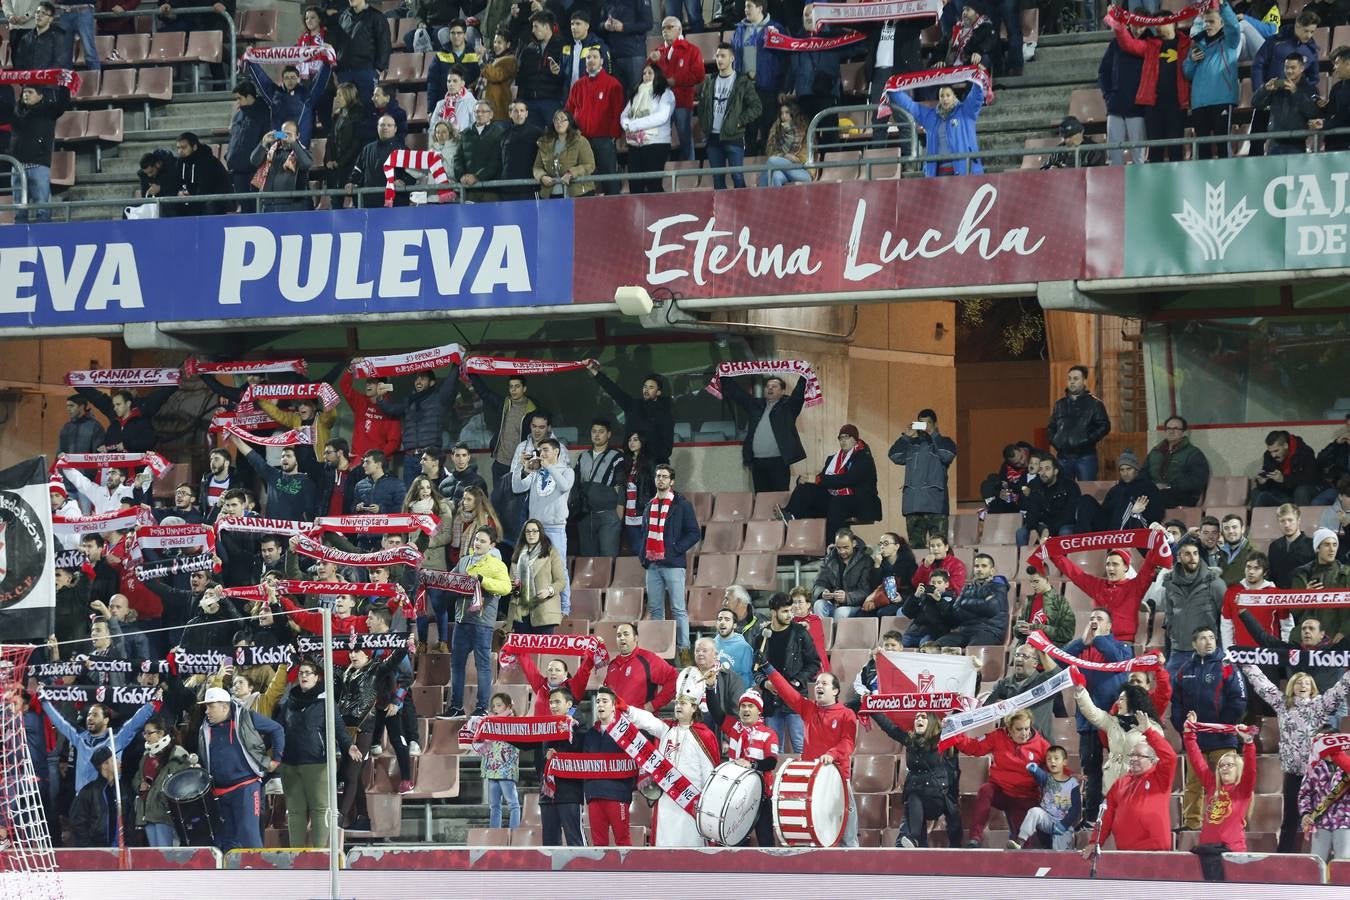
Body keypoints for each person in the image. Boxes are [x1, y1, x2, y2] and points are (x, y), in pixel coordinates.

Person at [1242, 663, 1350, 852]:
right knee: (1290, 819)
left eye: (1307, 683)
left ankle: (1327, 859)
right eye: (1299, 682)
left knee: (1325, 818)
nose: (1302, 685)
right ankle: (1285, 857)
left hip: (1318, 774)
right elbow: (1263, 685)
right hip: (1293, 773)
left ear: (1312, 688)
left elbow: (1339, 689)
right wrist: (1247, 663)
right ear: (1292, 685)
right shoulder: (1283, 704)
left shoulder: (1320, 705)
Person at [760, 662, 859, 846]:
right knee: (812, 829)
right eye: (818, 683)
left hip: (837, 777)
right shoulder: (809, 708)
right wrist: (769, 669)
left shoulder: (847, 714)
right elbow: (787, 692)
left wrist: (832, 754)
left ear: (836, 691)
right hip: (811, 780)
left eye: (825, 683)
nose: (819, 686)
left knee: (846, 831)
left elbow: (848, 743)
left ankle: (852, 862)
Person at [1171, 626, 1248, 831]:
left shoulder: (1227, 666)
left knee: (1228, 783)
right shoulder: (1184, 671)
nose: (1209, 642)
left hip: (1222, 740)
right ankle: (1192, 824)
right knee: (1194, 783)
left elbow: (1239, 700)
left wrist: (1220, 727)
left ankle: (1229, 823)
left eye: (1212, 638)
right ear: (1194, 644)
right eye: (1203, 638)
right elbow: (1176, 704)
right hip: (1196, 740)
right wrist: (1184, 728)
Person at [627, 690, 721, 846]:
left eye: (683, 703)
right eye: (677, 703)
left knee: (691, 847)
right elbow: (647, 720)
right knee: (665, 843)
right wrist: (628, 709)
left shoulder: (705, 735)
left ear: (694, 708)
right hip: (666, 800)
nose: (678, 706)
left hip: (692, 802)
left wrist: (708, 803)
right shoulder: (667, 729)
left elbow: (710, 774)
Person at [197, 685, 284, 851]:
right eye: (206, 706)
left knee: (249, 836)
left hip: (246, 787)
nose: (207, 711)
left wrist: (276, 760)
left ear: (224, 706)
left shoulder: (246, 717)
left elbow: (277, 729)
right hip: (220, 792)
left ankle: (259, 873)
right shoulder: (204, 728)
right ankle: (231, 877)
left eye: (211, 706)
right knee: (228, 841)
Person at [275, 659, 350, 847]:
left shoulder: (325, 701)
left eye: (308, 673)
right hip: (290, 763)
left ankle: (319, 855)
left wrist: (349, 746)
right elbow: (277, 729)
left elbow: (338, 727)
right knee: (294, 811)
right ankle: (297, 854)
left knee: (320, 809)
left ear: (317, 677)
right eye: (301, 673)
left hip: (317, 763)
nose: (304, 676)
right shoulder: (289, 702)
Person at [948, 710, 1049, 847]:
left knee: (1022, 843)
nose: (1024, 733)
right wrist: (954, 731)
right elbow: (974, 747)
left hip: (1024, 798)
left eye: (1027, 728)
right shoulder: (998, 736)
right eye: (1019, 729)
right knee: (985, 790)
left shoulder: (1042, 746)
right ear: (1009, 728)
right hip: (1000, 791)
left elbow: (1055, 772)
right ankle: (975, 839)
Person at [1083, 715, 1176, 856]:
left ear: (1153, 760)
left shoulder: (1160, 777)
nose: (1133, 759)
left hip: (1156, 854)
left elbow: (1170, 757)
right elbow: (1105, 817)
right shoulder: (1120, 783)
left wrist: (1149, 732)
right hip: (1126, 854)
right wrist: (1094, 843)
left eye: (1138, 756)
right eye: (1131, 755)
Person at [446, 526, 512, 718]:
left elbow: (505, 587)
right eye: (476, 539)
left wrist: (482, 580)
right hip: (462, 619)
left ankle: (482, 707)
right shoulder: (464, 560)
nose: (478, 543)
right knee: (456, 665)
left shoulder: (497, 565)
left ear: (492, 545)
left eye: (483, 541)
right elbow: (450, 580)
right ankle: (456, 707)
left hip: (483, 621)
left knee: (482, 665)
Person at [870, 709, 961, 848]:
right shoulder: (910, 740)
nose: (918, 719)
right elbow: (889, 727)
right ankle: (914, 840)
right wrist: (871, 709)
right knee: (913, 796)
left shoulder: (941, 738)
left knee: (915, 796)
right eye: (917, 717)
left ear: (931, 722)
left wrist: (957, 708)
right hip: (916, 795)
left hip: (938, 796)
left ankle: (915, 838)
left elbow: (958, 722)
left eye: (923, 717)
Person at [1108, 14, 1190, 162]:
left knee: (1175, 149)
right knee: (1154, 151)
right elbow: (1128, 44)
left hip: (1177, 106)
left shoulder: (1186, 44)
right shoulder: (1151, 45)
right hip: (1153, 107)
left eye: (1161, 23)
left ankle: (1176, 184)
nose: (1157, 27)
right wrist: (1117, 23)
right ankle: (1154, 185)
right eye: (1156, 24)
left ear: (1174, 24)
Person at [639, 463, 700, 661]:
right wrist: (643, 557)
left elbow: (694, 533)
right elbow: (644, 534)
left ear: (671, 481)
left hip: (673, 564)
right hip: (653, 565)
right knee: (656, 609)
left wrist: (674, 549)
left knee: (678, 609)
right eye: (658, 476)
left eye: (665, 477)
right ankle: (661, 651)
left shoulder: (681, 504)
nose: (661, 480)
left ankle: (684, 651)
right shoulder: (649, 505)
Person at [783, 424, 882, 539]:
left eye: (847, 437)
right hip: (836, 497)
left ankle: (831, 546)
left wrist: (816, 479)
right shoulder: (833, 459)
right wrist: (804, 480)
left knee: (837, 503)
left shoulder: (863, 457)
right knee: (807, 489)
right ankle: (789, 517)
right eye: (841, 438)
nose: (843, 441)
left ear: (855, 439)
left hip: (858, 499)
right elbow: (823, 479)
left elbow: (847, 479)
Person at [755, 592, 821, 754]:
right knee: (774, 748)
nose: (790, 614)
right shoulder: (761, 638)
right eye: (785, 611)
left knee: (800, 746)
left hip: (795, 698)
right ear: (773, 612)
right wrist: (765, 683)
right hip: (771, 700)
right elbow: (755, 669)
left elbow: (814, 663)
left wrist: (797, 681)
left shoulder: (800, 633)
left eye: (791, 610)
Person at [696, 43, 763, 189]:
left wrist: (738, 122)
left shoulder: (742, 81)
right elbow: (702, 106)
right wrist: (705, 123)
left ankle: (742, 209)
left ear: (732, 58)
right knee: (718, 180)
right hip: (713, 138)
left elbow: (756, 107)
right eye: (717, 56)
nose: (719, 59)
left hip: (734, 137)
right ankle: (722, 211)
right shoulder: (710, 80)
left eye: (723, 56)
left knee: (737, 177)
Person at [888, 409, 958, 545]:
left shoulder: (944, 442)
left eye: (928, 424)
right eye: (921, 424)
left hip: (936, 505)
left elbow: (947, 455)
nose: (925, 427)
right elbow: (894, 456)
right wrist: (906, 437)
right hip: (913, 506)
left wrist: (933, 435)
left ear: (935, 424)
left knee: (939, 548)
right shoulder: (911, 444)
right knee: (915, 550)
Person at [580, 687, 639, 845]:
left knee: (623, 840)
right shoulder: (590, 734)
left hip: (617, 794)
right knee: (598, 845)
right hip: (594, 795)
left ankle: (627, 870)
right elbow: (583, 764)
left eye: (605, 701)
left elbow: (636, 761)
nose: (600, 704)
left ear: (614, 706)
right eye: (598, 701)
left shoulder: (626, 731)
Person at [1183, 0, 1242, 159]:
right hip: (1199, 103)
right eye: (1205, 21)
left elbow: (1234, 26)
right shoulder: (1198, 45)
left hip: (1221, 100)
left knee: (1223, 143)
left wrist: (1222, 6)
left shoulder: (1230, 41)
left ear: (1222, 22)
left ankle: (1228, 179)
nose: (1207, 25)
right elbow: (1187, 73)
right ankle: (1203, 181)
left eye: (1212, 21)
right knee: (1202, 147)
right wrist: (1191, 61)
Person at [587, 364, 675, 467]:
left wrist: (647, 459)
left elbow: (666, 449)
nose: (646, 390)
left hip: (653, 467)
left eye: (651, 387)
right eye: (645, 386)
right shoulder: (633, 405)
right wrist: (596, 373)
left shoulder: (665, 415)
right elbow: (614, 390)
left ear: (659, 392)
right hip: (630, 465)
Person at [891, 80, 984, 177]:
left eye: (948, 95)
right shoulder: (931, 116)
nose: (945, 98)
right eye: (942, 96)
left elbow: (976, 97)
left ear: (954, 96)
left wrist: (978, 80)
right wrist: (892, 91)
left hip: (965, 171)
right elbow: (910, 105)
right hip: (939, 173)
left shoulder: (966, 111)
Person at [564, 46, 624, 196]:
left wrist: (613, 135)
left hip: (604, 139)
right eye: (588, 58)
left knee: (609, 177)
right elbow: (569, 112)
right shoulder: (578, 86)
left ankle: (615, 211)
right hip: (582, 140)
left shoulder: (613, 84)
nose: (591, 60)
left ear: (602, 61)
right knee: (583, 180)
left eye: (595, 57)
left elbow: (618, 113)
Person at [1163, 537, 1228, 671]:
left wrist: (1220, 649)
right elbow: (1169, 616)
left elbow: (1226, 618)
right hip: (1178, 650)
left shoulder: (1214, 583)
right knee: (1171, 690)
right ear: (1179, 557)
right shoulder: (1170, 583)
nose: (1192, 557)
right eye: (1187, 554)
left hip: (1205, 651)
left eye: (1195, 553)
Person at [731, 0, 785, 156]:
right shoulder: (739, 31)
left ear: (760, 7)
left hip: (767, 89)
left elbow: (784, 62)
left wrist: (782, 88)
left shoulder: (776, 29)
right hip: (746, 91)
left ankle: (768, 172)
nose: (745, 9)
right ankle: (749, 173)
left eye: (749, 6)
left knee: (768, 131)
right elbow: (734, 60)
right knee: (748, 135)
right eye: (745, 6)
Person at [135, 716, 194, 848]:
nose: (146, 737)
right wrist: (140, 785)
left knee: (167, 856)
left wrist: (163, 798)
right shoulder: (146, 756)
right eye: (144, 733)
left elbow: (180, 784)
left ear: (161, 733)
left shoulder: (177, 755)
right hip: (148, 814)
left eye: (149, 733)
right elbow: (137, 777)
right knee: (156, 856)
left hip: (166, 815)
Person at [650, 17, 704, 161]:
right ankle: (663, 174)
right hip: (661, 103)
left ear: (679, 29)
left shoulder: (692, 50)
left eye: (669, 27)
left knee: (685, 139)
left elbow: (699, 75)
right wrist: (650, 61)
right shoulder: (658, 52)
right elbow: (647, 75)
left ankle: (690, 175)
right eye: (663, 28)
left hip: (682, 101)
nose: (665, 31)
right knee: (661, 140)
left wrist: (676, 81)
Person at [1007, 746, 1081, 850]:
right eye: (1049, 759)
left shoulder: (1072, 783)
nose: (1052, 761)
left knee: (1061, 854)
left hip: (1063, 824)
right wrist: (1034, 768)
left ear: (1064, 762)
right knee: (1034, 811)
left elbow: (1076, 808)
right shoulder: (1047, 778)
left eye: (1056, 758)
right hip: (1047, 819)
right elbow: (1040, 775)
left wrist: (1064, 825)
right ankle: (1020, 841)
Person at [572, 418, 626, 557]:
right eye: (594, 431)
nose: (597, 435)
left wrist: (620, 508)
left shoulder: (617, 456)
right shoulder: (583, 456)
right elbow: (575, 483)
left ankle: (609, 579)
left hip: (608, 513)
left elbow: (622, 484)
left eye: (601, 432)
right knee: (588, 557)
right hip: (585, 514)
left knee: (608, 555)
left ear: (608, 434)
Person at [540, 686, 586, 845]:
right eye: (551, 702)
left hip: (569, 793)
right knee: (549, 845)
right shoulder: (546, 725)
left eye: (557, 702)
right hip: (547, 795)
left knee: (576, 841)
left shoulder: (580, 726)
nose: (552, 706)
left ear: (569, 704)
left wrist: (558, 756)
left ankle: (582, 870)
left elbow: (582, 755)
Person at [1048, 365, 1112, 482]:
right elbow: (1051, 426)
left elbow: (1104, 426)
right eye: (1069, 378)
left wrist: (1087, 439)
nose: (1072, 382)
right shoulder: (1060, 404)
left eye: (1076, 378)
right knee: (1064, 493)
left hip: (1085, 457)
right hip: (1063, 457)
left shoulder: (1095, 403)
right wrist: (1055, 440)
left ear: (1084, 380)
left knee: (1087, 492)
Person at [619, 62, 675, 194]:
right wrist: (627, 125)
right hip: (635, 145)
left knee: (653, 184)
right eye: (644, 73)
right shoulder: (636, 93)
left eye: (650, 73)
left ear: (657, 75)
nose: (646, 76)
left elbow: (662, 117)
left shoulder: (666, 93)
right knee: (635, 185)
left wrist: (635, 125)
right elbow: (624, 115)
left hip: (656, 144)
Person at [1252, 52, 1323, 154]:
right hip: (1274, 143)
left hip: (1297, 144)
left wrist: (1296, 92)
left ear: (1302, 68)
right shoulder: (1277, 87)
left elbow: (1313, 112)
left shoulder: (1310, 90)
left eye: (1293, 67)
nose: (1289, 71)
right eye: (1286, 67)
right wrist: (1265, 89)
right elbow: (1256, 104)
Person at [247, 61, 332, 146]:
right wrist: (251, 63)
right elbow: (262, 80)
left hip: (300, 146)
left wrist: (327, 63)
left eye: (293, 77)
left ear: (298, 79)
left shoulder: (306, 96)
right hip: (278, 146)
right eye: (287, 78)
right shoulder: (275, 95)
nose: (290, 81)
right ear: (283, 80)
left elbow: (320, 82)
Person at [330, 0, 391, 118]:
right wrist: (337, 69)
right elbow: (337, 43)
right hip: (344, 72)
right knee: (345, 112)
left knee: (367, 109)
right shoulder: (343, 16)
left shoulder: (376, 16)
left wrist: (378, 69)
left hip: (366, 71)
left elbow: (384, 44)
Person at [935, 553, 1009, 648]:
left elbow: (991, 608)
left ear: (992, 571)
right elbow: (956, 610)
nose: (979, 569)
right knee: (937, 646)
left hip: (989, 631)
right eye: (976, 566)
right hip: (966, 630)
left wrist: (965, 603)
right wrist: (980, 606)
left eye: (984, 566)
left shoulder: (998, 586)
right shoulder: (967, 587)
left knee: (972, 648)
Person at [1098, 19, 1146, 166]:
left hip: (1138, 107)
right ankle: (1115, 187)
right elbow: (1103, 71)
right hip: (1115, 107)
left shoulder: (1151, 44)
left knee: (1139, 155)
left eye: (1142, 26)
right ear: (1129, 24)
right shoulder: (1115, 44)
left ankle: (1141, 186)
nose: (1138, 29)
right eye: (1135, 25)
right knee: (1114, 155)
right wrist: (1108, 95)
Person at [508, 519, 567, 634]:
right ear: (524, 534)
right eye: (528, 531)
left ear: (541, 533)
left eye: (535, 531)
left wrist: (549, 591)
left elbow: (561, 582)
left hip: (544, 612)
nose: (531, 534)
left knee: (542, 651)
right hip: (520, 614)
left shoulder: (551, 552)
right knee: (522, 652)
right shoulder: (517, 555)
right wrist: (514, 588)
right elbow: (511, 583)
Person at [473, 692, 523, 830]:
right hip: (492, 768)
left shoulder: (514, 722)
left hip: (506, 768)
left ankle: (515, 833)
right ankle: (495, 834)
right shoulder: (488, 723)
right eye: (494, 706)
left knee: (512, 803)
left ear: (507, 706)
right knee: (494, 805)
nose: (495, 708)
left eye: (499, 705)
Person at [1292, 529, 1349, 641]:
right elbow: (1294, 611)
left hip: (1336, 639)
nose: (1332, 549)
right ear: (1317, 548)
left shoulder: (1346, 574)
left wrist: (1344, 631)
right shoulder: (1302, 574)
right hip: (1306, 640)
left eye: (1335, 545)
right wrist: (1305, 596)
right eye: (1327, 545)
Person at [1143, 415, 1211, 508]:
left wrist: (1169, 486)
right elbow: (1143, 473)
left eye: (1176, 428)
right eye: (1168, 428)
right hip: (1155, 491)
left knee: (1156, 498)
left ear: (1183, 432)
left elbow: (1197, 480)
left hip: (1184, 495)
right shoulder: (1155, 452)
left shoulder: (1193, 453)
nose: (1171, 431)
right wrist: (1151, 486)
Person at [1298, 745, 1350, 863]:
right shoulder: (1314, 767)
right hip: (1320, 822)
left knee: (1343, 863)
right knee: (1317, 864)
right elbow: (1304, 793)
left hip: (1344, 822)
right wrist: (1306, 814)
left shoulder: (1347, 765)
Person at [809, 528, 875, 621]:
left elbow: (866, 591)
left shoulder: (866, 561)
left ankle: (836, 635)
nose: (841, 551)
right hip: (834, 604)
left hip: (856, 605)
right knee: (819, 604)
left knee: (840, 612)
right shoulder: (829, 560)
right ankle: (821, 635)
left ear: (854, 543)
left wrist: (847, 597)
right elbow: (818, 584)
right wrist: (822, 592)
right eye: (838, 547)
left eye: (845, 547)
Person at [249, 121, 313, 214]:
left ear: (297, 135)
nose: (286, 137)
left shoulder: (302, 152)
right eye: (283, 133)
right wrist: (263, 143)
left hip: (293, 206)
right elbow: (254, 161)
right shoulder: (272, 151)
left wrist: (294, 144)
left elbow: (306, 164)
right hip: (269, 205)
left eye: (289, 134)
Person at [1017, 455, 1083, 548]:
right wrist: (1032, 528)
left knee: (1065, 532)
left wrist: (1049, 530)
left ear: (1055, 471)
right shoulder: (1034, 485)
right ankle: (1025, 561)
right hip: (1044, 524)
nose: (1043, 473)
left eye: (1047, 469)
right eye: (1040, 469)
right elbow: (1032, 510)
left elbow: (1070, 515)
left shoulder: (1070, 486)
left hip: (1063, 524)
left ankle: (1064, 562)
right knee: (1021, 533)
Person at [517, 11, 567, 128]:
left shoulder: (562, 47)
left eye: (536, 26)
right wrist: (521, 100)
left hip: (552, 102)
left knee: (552, 138)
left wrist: (558, 73)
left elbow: (567, 77)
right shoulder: (529, 49)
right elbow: (522, 77)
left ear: (546, 26)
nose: (533, 30)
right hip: (530, 102)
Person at [533, 107, 596, 198]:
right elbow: (537, 167)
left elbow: (589, 165)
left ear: (569, 122)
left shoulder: (580, 141)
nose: (559, 123)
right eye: (556, 120)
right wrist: (542, 176)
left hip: (577, 193)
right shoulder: (545, 142)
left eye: (563, 120)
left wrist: (571, 173)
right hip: (551, 194)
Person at [347, 114, 408, 207]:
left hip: (396, 204)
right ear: (377, 128)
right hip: (370, 203)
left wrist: (404, 181)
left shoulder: (403, 150)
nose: (385, 128)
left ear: (395, 129)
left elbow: (412, 173)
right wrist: (352, 182)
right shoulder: (367, 149)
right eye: (382, 125)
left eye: (389, 125)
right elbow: (357, 170)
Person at [1255, 429, 1321, 507]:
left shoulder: (1305, 452)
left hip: (1305, 490)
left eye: (1276, 451)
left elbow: (1310, 479)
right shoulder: (1268, 455)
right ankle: (1258, 519)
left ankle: (1302, 518)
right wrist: (1262, 482)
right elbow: (1268, 479)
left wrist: (1284, 479)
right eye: (1271, 452)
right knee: (1256, 492)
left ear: (1285, 445)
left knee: (1301, 491)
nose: (1273, 455)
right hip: (1283, 492)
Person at [598, 0, 652, 95]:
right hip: (613, 56)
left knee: (637, 96)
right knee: (616, 97)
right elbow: (598, 24)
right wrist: (605, 26)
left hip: (634, 55)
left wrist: (624, 27)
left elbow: (647, 24)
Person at [71, 745, 120, 848]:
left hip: (120, 851)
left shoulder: (122, 789)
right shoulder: (88, 792)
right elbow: (77, 822)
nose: (119, 762)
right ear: (105, 765)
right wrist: (90, 847)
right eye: (114, 759)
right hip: (96, 851)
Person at [1015, 566, 1076, 647]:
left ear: (1047, 579)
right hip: (1026, 650)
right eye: (1031, 582)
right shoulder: (1029, 602)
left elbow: (1067, 634)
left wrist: (1036, 628)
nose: (1033, 585)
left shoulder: (1061, 602)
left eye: (1036, 581)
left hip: (1048, 652)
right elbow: (1017, 632)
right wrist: (1019, 628)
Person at [761, 100, 812, 186]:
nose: (784, 116)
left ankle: (760, 192)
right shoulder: (776, 131)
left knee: (772, 161)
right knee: (776, 176)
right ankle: (776, 199)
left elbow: (806, 157)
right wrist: (784, 156)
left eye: (787, 113)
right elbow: (771, 151)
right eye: (782, 113)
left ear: (793, 113)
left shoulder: (804, 130)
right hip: (783, 169)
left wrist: (796, 159)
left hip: (802, 171)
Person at [1269, 503, 1316, 588]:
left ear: (1298, 520)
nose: (1286, 525)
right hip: (1278, 597)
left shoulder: (1312, 545)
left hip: (1303, 596)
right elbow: (1271, 576)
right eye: (1282, 521)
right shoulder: (1274, 546)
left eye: (1290, 520)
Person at [480, 29, 519, 121]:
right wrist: (471, 88)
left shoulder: (510, 61)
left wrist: (482, 61)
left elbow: (496, 76)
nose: (496, 45)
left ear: (508, 45)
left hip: (498, 109)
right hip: (485, 106)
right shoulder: (492, 59)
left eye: (499, 42)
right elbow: (483, 77)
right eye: (495, 42)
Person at [430, 66, 479, 134]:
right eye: (449, 81)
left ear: (462, 83)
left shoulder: (471, 102)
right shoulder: (440, 104)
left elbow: (476, 128)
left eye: (455, 81)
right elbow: (432, 128)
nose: (451, 84)